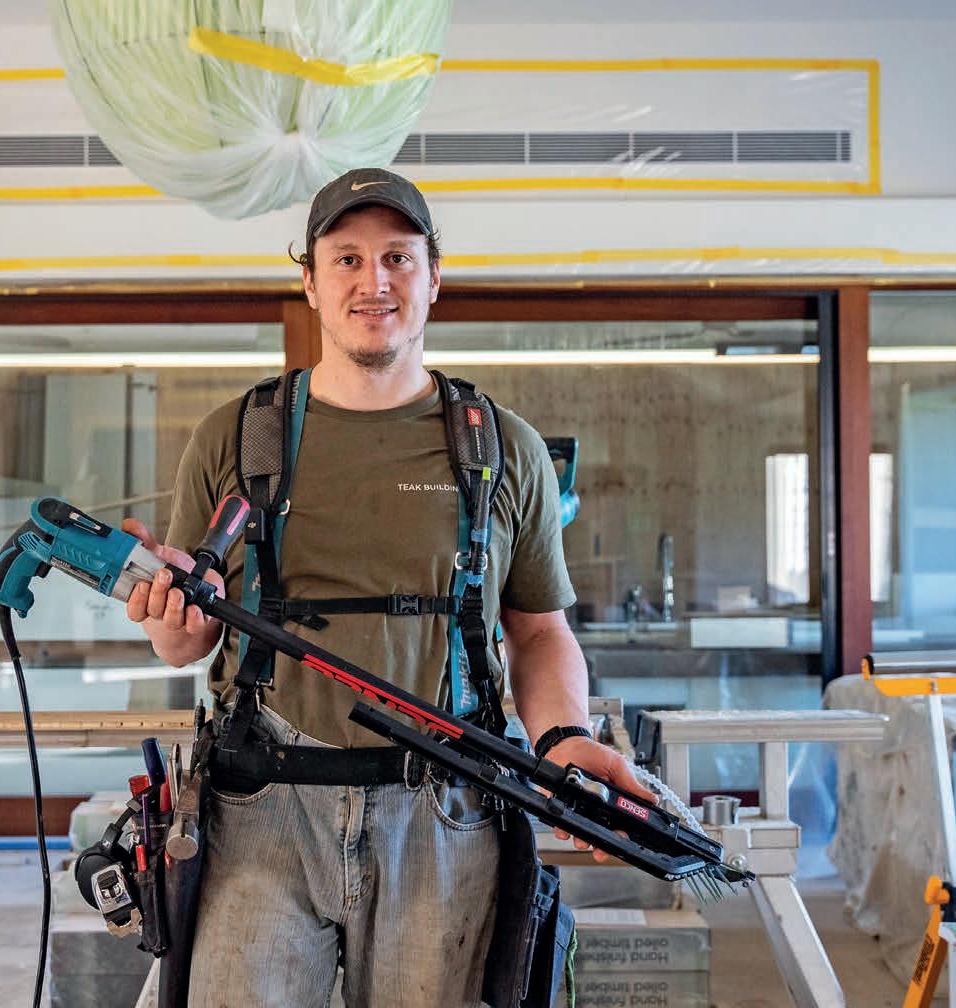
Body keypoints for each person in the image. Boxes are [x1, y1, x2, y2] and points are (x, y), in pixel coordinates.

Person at [122, 167, 652, 1007]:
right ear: (310, 281)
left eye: (398, 258)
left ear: (434, 276)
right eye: (347, 259)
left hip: (444, 813)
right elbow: (189, 636)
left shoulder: (501, 449)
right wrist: (168, 620)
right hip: (261, 809)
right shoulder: (237, 436)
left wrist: (562, 739)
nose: (374, 281)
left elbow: (539, 631)